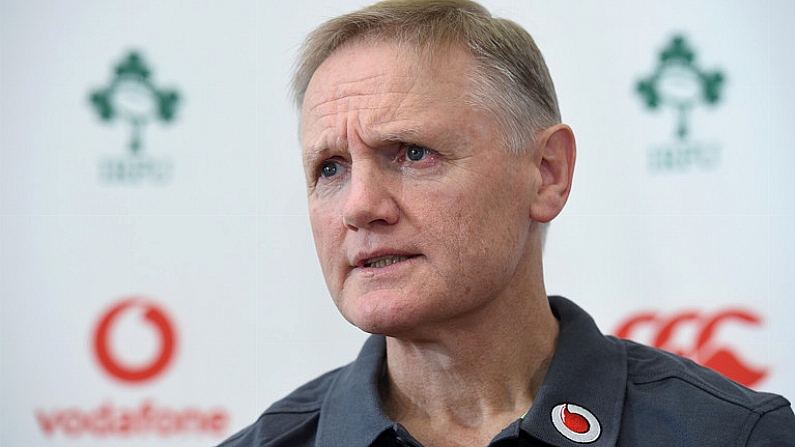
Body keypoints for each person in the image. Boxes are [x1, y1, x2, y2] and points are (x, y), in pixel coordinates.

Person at [219, 1, 795, 445]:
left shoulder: (734, 435)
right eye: (330, 168)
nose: (359, 206)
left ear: (547, 174)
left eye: (412, 153)